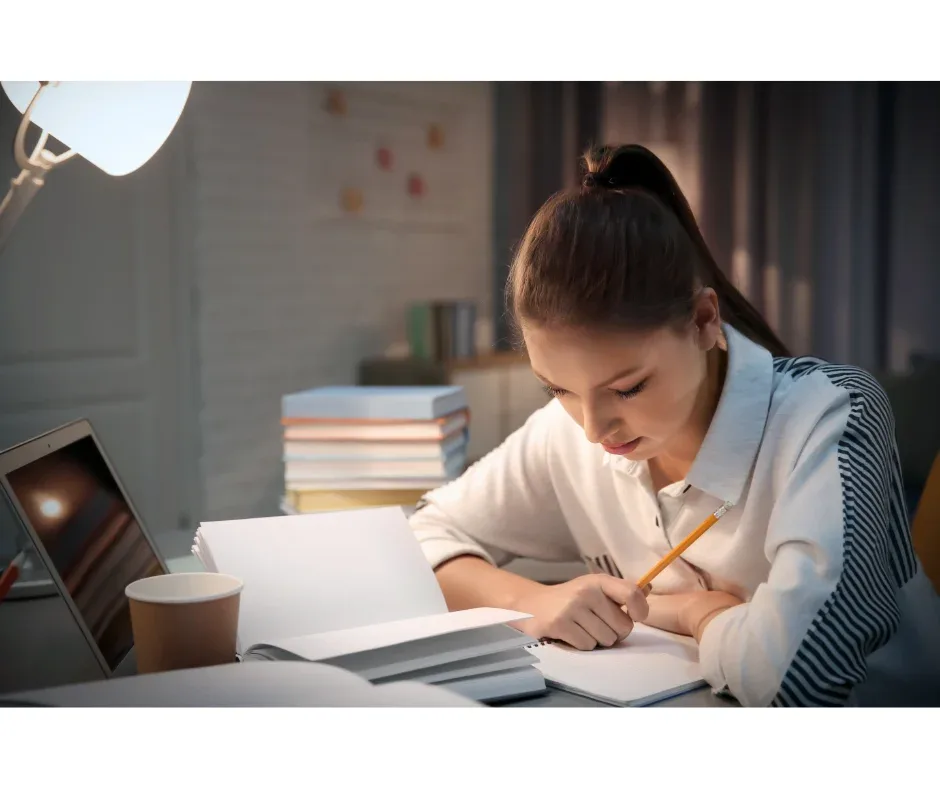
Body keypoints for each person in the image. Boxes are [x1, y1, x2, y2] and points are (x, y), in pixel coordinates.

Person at [409, 144, 940, 707]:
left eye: (629, 387)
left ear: (704, 320)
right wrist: (533, 601)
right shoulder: (568, 437)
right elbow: (424, 535)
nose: (593, 429)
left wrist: (703, 619)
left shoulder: (832, 413)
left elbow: (801, 675)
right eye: (558, 389)